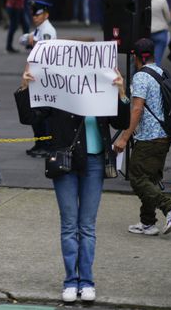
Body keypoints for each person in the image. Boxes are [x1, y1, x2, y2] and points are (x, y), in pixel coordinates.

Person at [16, 64, 129, 303]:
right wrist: (25, 88)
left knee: (86, 226)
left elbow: (121, 121)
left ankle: (86, 281)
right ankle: (70, 281)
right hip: (66, 162)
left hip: (95, 162)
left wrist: (121, 93)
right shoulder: (59, 91)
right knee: (69, 224)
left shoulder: (101, 89)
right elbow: (30, 117)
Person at [113, 38, 171, 236]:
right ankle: (147, 223)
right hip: (164, 135)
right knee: (150, 179)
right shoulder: (161, 72)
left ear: (135, 57)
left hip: (148, 138)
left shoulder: (140, 77)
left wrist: (124, 138)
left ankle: (169, 208)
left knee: (137, 178)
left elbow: (137, 109)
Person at [19, 0, 57, 157]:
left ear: (46, 14)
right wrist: (32, 39)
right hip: (36, 76)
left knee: (43, 113)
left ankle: (46, 145)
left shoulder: (47, 30)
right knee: (35, 112)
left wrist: (34, 41)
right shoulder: (39, 30)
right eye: (33, 14)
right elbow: (22, 39)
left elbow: (46, 51)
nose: (34, 17)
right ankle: (39, 143)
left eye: (38, 14)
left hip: (44, 76)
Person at [148, 0, 171, 66]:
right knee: (157, 59)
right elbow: (168, 18)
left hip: (147, 32)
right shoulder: (162, 1)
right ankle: (156, 77)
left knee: (147, 59)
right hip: (160, 32)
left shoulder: (144, 0)